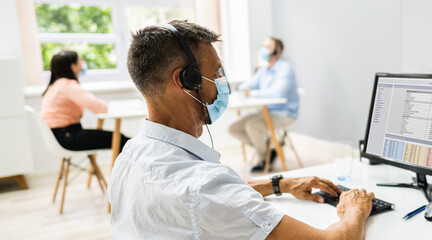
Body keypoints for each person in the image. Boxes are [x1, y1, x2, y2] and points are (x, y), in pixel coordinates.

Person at [108, 20, 374, 239]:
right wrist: (356, 208)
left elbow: (210, 198)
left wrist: (279, 183)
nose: (221, 83)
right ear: (186, 80)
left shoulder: (129, 156)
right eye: (216, 73)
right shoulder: (202, 189)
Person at [229, 37, 300, 172]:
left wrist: (251, 93)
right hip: (266, 113)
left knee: (252, 125)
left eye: (267, 47)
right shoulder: (264, 70)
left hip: (284, 113)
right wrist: (242, 89)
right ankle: (270, 150)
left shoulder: (285, 69)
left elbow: (277, 93)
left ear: (277, 52)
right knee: (233, 128)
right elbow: (249, 84)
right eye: (263, 46)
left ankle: (263, 160)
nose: (263, 49)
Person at [40, 50, 130, 151]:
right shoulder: (67, 85)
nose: (83, 64)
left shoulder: (55, 85)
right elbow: (99, 107)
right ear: (73, 67)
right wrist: (117, 107)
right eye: (80, 61)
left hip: (59, 136)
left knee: (117, 138)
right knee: (121, 140)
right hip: (68, 136)